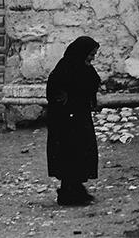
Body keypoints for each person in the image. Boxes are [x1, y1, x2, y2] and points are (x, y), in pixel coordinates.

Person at [46, 36, 101, 206]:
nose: (92, 58)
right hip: (65, 123)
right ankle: (68, 194)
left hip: (79, 119)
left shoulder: (84, 68)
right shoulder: (64, 69)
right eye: (90, 54)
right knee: (69, 155)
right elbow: (55, 92)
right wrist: (65, 103)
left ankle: (76, 191)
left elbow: (93, 83)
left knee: (81, 154)